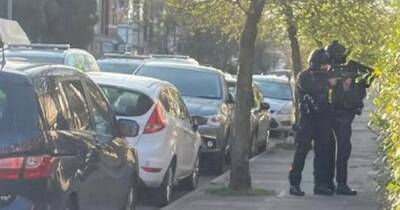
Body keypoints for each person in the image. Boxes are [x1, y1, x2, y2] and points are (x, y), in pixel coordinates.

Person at [289, 48, 337, 196]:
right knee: (301, 153)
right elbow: (311, 88)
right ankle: (294, 184)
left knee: (322, 153)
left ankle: (320, 184)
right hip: (307, 119)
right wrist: (328, 83)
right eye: (324, 65)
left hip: (322, 119)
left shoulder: (323, 76)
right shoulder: (305, 76)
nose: (326, 68)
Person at [326, 41, 367, 195]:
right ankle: (332, 183)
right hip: (333, 114)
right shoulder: (327, 70)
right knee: (332, 150)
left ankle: (339, 183)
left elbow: (370, 76)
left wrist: (352, 84)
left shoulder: (351, 68)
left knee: (343, 150)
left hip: (344, 114)